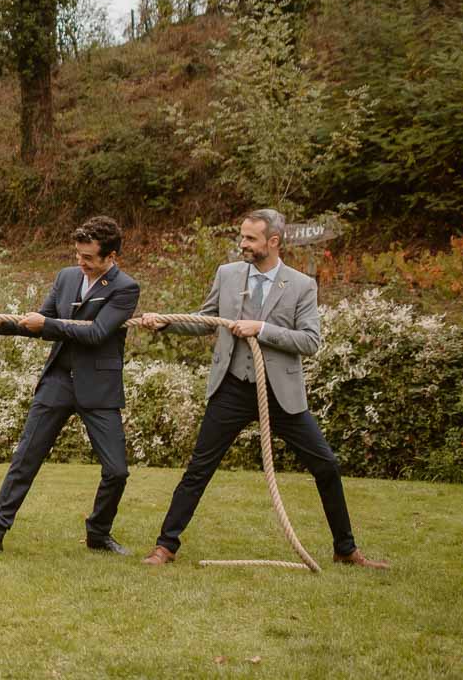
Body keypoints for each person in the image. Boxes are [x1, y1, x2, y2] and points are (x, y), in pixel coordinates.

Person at [137, 209, 389, 569]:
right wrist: (165, 323)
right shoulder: (228, 274)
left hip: (280, 394)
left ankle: (345, 550)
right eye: (242, 236)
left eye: (250, 238)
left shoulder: (301, 285)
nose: (243, 243)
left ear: (273, 242)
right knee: (199, 469)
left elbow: (310, 341)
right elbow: (205, 321)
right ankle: (165, 547)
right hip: (232, 388)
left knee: (327, 466)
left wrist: (262, 328)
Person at [0, 215, 139, 557]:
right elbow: (40, 324)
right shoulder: (65, 277)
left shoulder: (125, 288)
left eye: (89, 257)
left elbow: (95, 333)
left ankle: (98, 533)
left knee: (117, 471)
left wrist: (47, 322)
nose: (81, 262)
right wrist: (0, 322)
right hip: (58, 382)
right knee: (25, 460)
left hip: (99, 386)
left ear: (111, 257)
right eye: (78, 254)